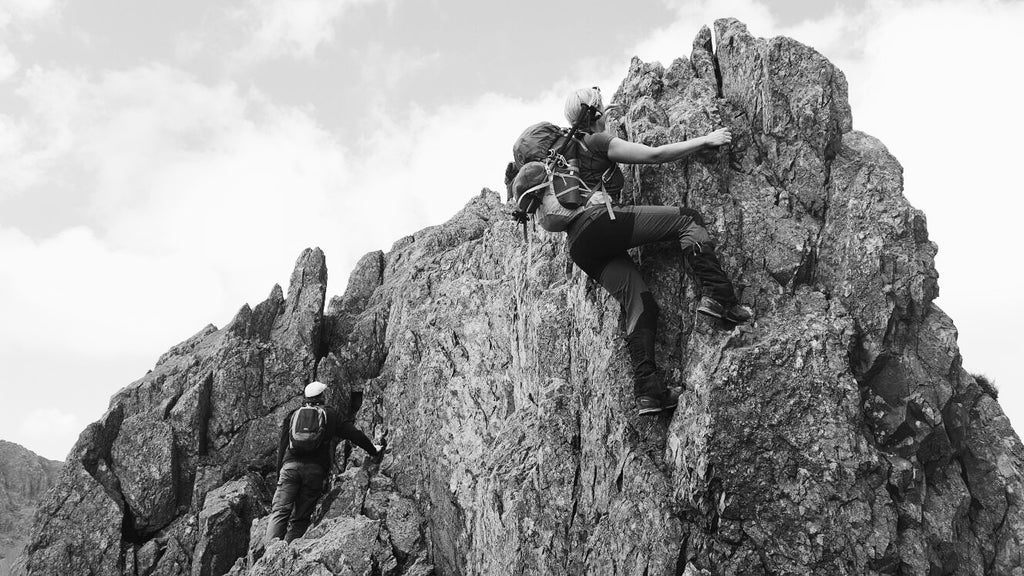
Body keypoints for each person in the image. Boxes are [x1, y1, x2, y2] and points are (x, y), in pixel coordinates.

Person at [555, 86, 751, 416]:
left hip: (579, 247)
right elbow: (654, 155)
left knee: (640, 303)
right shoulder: (597, 142)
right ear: (595, 114)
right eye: (601, 108)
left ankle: (649, 392)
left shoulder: (567, 157)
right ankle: (721, 298)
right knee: (688, 221)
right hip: (600, 223)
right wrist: (706, 139)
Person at [266, 381, 381, 543]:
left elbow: (282, 448)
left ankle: (271, 555)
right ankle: (287, 555)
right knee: (300, 519)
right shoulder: (330, 415)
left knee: (279, 512)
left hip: (289, 468)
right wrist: (373, 450)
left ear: (306, 398)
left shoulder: (293, 415)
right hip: (314, 471)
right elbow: (354, 434)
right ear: (322, 397)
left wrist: (280, 474)